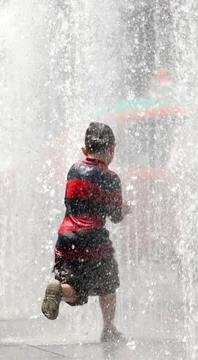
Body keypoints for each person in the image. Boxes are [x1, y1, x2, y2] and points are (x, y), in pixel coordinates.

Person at [41, 122, 131, 342]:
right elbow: (115, 216)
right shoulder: (111, 177)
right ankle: (108, 328)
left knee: (76, 287)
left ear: (84, 150)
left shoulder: (74, 169)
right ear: (112, 149)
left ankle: (60, 291)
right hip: (94, 240)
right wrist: (125, 210)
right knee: (108, 283)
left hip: (66, 238)